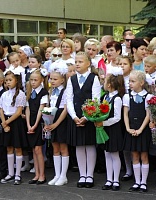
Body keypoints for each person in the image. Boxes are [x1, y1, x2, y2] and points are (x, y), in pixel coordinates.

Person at [66, 52, 101, 188]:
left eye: (81, 62)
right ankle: (82, 175)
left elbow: (95, 99)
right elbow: (69, 99)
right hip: (75, 117)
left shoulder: (94, 78)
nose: (78, 64)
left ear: (88, 64)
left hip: (89, 117)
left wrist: (86, 117)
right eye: (76, 61)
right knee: (79, 146)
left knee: (89, 145)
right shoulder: (72, 79)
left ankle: (90, 175)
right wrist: (74, 116)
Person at [122, 70, 152, 192]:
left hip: (142, 130)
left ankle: (143, 182)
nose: (130, 84)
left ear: (141, 83)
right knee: (134, 155)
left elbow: (148, 115)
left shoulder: (148, 97)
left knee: (144, 155)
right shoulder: (127, 96)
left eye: (133, 81)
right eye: (129, 81)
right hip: (131, 129)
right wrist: (128, 128)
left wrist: (140, 129)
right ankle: (137, 181)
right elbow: (125, 114)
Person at [97, 67, 125, 191]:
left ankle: (116, 180)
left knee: (114, 154)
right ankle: (109, 179)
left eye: (105, 82)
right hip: (105, 130)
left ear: (110, 84)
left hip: (113, 130)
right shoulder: (105, 97)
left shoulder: (117, 98)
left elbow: (117, 117)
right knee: (107, 154)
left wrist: (104, 122)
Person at [0, 70, 27, 185]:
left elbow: (18, 112)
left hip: (15, 122)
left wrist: (7, 122)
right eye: (6, 81)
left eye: (10, 80)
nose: (8, 83)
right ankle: (10, 173)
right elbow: (1, 109)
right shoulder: (4, 94)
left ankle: (18, 174)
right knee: (9, 148)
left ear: (16, 80)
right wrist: (4, 122)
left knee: (18, 148)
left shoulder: (20, 94)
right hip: (6, 121)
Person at [45, 63, 69, 186]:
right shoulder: (51, 91)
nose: (52, 81)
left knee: (63, 148)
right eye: (51, 78)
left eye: (55, 79)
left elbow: (65, 109)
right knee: (55, 148)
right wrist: (47, 122)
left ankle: (63, 175)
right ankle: (57, 174)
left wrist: (56, 124)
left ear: (62, 80)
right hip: (52, 119)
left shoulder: (64, 92)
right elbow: (48, 108)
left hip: (61, 121)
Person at [26, 68, 49, 185]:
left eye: (35, 80)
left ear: (41, 80)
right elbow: (28, 108)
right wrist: (28, 124)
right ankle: (36, 174)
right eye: (31, 80)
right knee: (33, 149)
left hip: (39, 123)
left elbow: (41, 109)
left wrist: (34, 125)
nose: (33, 82)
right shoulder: (29, 92)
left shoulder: (44, 93)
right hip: (31, 123)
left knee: (38, 149)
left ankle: (42, 175)